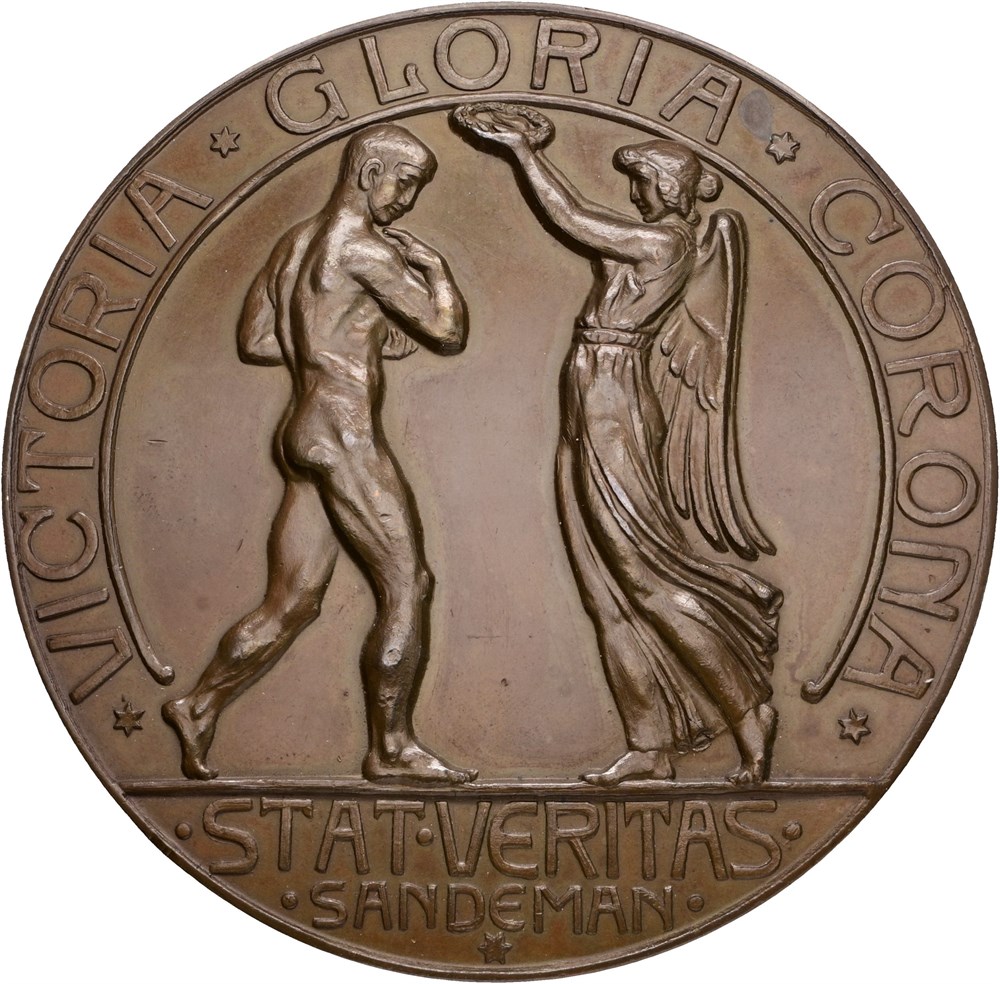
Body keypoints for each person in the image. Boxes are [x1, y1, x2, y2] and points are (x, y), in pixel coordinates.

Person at [455, 106, 780, 785]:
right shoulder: (640, 244)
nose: (636, 193)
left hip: (615, 399)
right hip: (587, 390)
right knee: (605, 591)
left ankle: (749, 713)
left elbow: (572, 218)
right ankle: (648, 744)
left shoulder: (667, 244)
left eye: (642, 182)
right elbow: (585, 224)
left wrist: (523, 152)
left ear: (667, 186)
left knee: (645, 578)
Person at [163, 123, 476, 784]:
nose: (407, 201)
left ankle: (199, 704)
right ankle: (391, 748)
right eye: (404, 183)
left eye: (417, 189)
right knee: (409, 584)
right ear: (368, 172)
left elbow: (256, 340)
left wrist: (348, 334)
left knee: (294, 603)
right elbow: (448, 332)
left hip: (302, 431)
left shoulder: (297, 242)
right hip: (344, 434)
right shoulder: (367, 251)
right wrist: (437, 272)